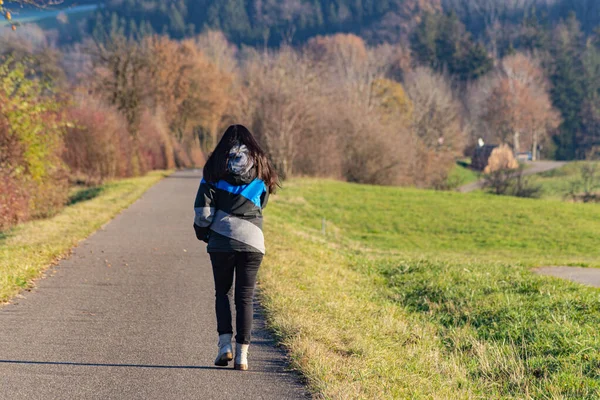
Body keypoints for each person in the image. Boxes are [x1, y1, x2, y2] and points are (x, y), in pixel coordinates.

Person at [193, 124, 278, 371]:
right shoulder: (262, 168)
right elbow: (262, 204)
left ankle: (224, 347)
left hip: (221, 241)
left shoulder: (214, 169)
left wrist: (204, 232)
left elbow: (203, 212)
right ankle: (242, 356)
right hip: (253, 241)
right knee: (245, 297)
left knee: (223, 293)